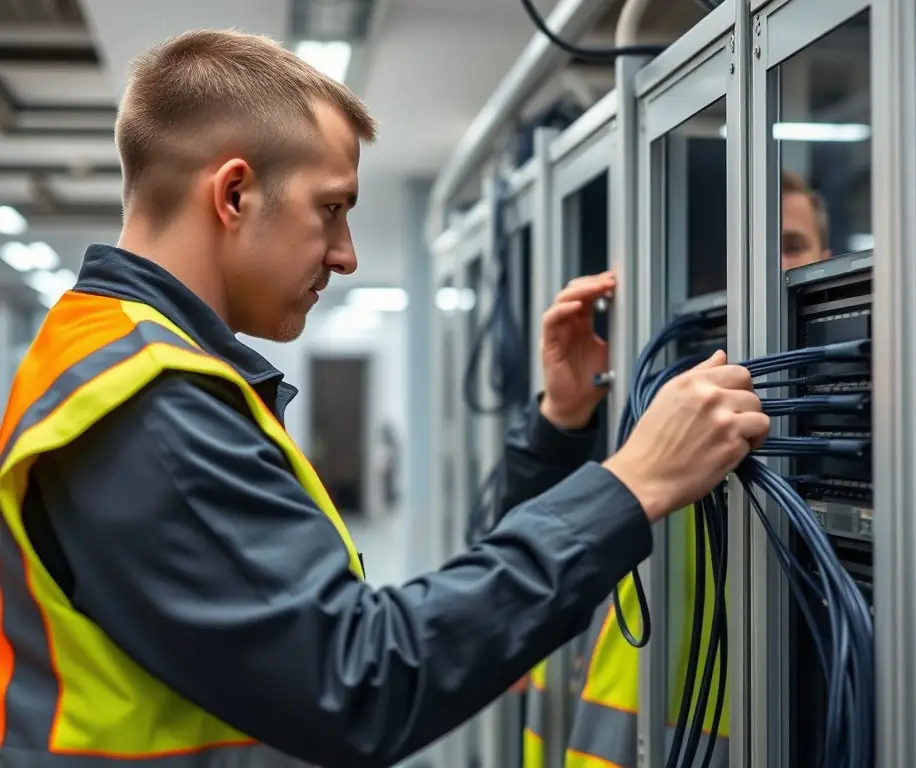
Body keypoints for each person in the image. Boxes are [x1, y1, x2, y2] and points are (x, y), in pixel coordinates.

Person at [0, 29, 772, 768]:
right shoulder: (148, 403)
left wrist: (558, 429)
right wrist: (634, 484)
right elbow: (361, 682)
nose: (346, 253)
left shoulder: (125, 361)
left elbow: (367, 639)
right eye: (331, 207)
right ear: (234, 193)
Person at [520, 170, 836, 768]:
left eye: (792, 246)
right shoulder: (647, 417)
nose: (772, 267)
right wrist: (561, 416)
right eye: (754, 246)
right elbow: (507, 551)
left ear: (829, 259)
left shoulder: (888, 431)